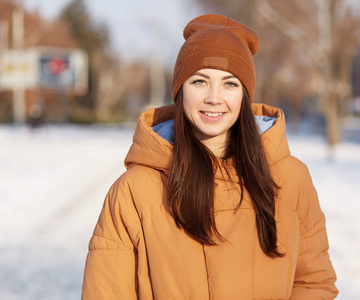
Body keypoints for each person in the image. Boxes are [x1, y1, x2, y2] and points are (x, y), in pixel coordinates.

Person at [82, 14, 338, 299]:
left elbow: (314, 282)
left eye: (230, 84)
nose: (214, 98)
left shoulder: (291, 178)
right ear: (180, 91)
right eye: (200, 81)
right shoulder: (134, 191)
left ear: (245, 95)